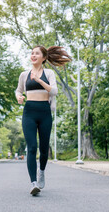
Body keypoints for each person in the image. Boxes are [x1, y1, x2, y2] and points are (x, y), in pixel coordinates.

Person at [15, 45, 71, 196]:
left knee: (44, 149)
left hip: (45, 112)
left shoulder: (49, 73)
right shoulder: (24, 74)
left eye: (37, 53)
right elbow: (18, 90)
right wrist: (19, 97)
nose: (33, 56)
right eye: (32, 53)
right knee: (32, 147)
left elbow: (54, 91)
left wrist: (39, 80)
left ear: (44, 58)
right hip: (29, 112)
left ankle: (41, 171)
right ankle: (34, 183)